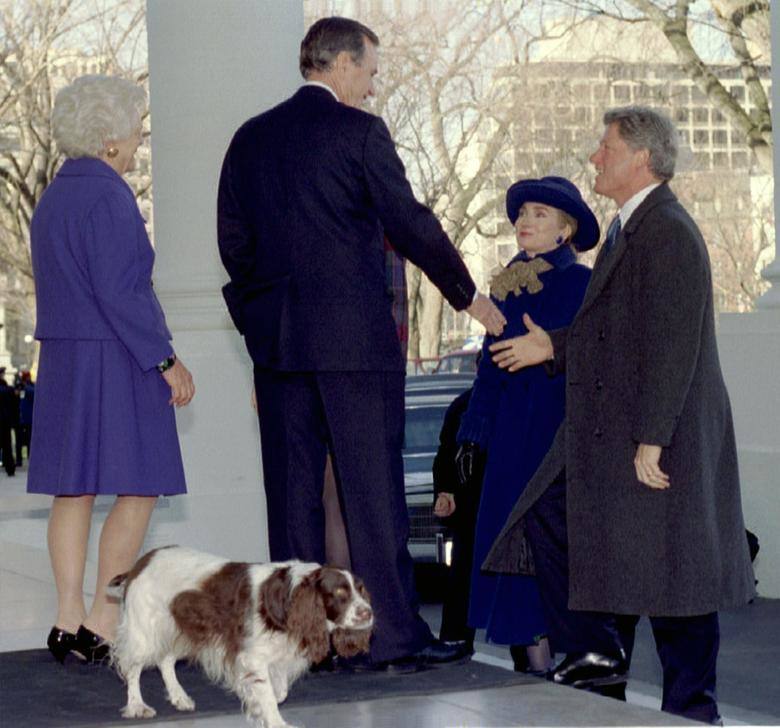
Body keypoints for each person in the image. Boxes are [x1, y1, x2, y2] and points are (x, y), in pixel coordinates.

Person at [217, 16, 505, 670]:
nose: (372, 88)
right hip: (355, 346)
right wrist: (467, 296)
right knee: (373, 498)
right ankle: (392, 639)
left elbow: (234, 246)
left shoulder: (249, 139)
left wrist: (261, 326)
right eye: (370, 73)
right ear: (342, 64)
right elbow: (410, 222)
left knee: (291, 502)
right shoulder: (360, 132)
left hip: (279, 348)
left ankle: (299, 643)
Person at [483, 106, 755, 724]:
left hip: (663, 437)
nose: (594, 158)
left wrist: (653, 437)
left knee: (677, 579)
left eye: (606, 148)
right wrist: (553, 347)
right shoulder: (627, 228)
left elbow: (674, 342)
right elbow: (613, 330)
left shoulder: (669, 232)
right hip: (622, 434)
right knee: (566, 523)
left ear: (642, 158)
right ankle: (599, 658)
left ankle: (692, 711)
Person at [28, 75, 195, 664]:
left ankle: (65, 617)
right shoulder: (109, 196)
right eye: (136, 129)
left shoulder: (53, 198)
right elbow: (122, 292)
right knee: (140, 484)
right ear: (109, 138)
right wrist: (166, 360)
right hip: (116, 357)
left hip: (64, 358)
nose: (139, 140)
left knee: (72, 489)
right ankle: (101, 620)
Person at [455, 177, 598, 673]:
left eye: (540, 214)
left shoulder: (582, 283)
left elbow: (598, 358)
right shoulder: (505, 288)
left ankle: (572, 670)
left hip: (556, 441)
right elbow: (489, 372)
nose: (525, 221)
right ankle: (533, 674)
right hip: (510, 446)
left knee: (551, 557)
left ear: (565, 230)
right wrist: (472, 435)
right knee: (508, 557)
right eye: (522, 213)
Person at [432, 371, 486, 655]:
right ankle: (455, 640)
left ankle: (456, 640)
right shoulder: (464, 406)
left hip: (485, 505)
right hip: (470, 508)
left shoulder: (468, 405)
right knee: (463, 579)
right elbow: (445, 456)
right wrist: (445, 491)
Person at [15, 370, 35, 466]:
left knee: (29, 441)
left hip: (29, 419)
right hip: (20, 419)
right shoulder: (19, 387)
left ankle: (30, 459)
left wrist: (25, 386)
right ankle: (19, 460)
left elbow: (33, 393)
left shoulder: (31, 386)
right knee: (19, 441)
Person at [0, 368, 16, 476]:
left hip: (4, 420)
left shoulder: (5, 388)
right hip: (5, 420)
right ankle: (10, 468)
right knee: (7, 445)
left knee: (6, 445)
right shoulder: (6, 389)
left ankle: (9, 467)